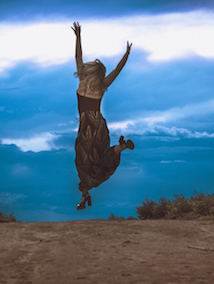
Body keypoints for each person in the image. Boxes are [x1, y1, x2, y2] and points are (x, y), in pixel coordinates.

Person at [72, 22, 134, 210]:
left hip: (86, 126)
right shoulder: (102, 85)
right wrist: (126, 55)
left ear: (89, 70)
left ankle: (84, 195)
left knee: (84, 161)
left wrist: (78, 36)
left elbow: (78, 56)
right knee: (96, 157)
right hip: (98, 124)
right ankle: (118, 149)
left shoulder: (83, 81)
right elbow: (117, 70)